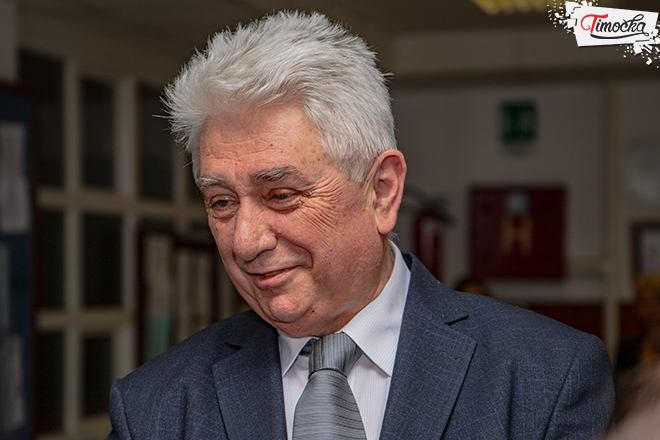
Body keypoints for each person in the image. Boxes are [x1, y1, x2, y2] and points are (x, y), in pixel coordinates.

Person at [108, 11, 614, 440]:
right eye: (221, 202)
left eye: (281, 195)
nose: (245, 241)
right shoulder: (153, 409)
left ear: (382, 192)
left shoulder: (546, 379)